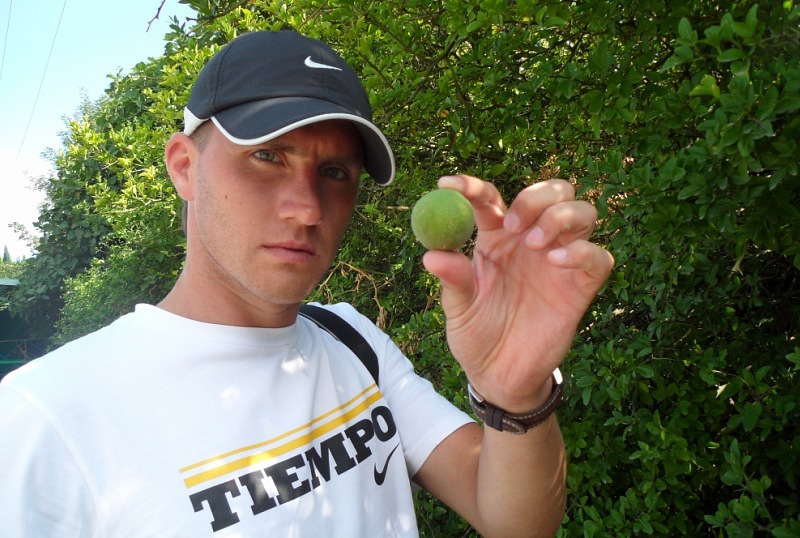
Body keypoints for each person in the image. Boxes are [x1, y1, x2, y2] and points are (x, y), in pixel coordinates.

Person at [0, 30, 613, 537]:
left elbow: (516, 523)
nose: (308, 208)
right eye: (268, 156)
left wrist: (517, 396)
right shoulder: (46, 418)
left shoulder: (351, 339)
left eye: (336, 172)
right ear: (185, 166)